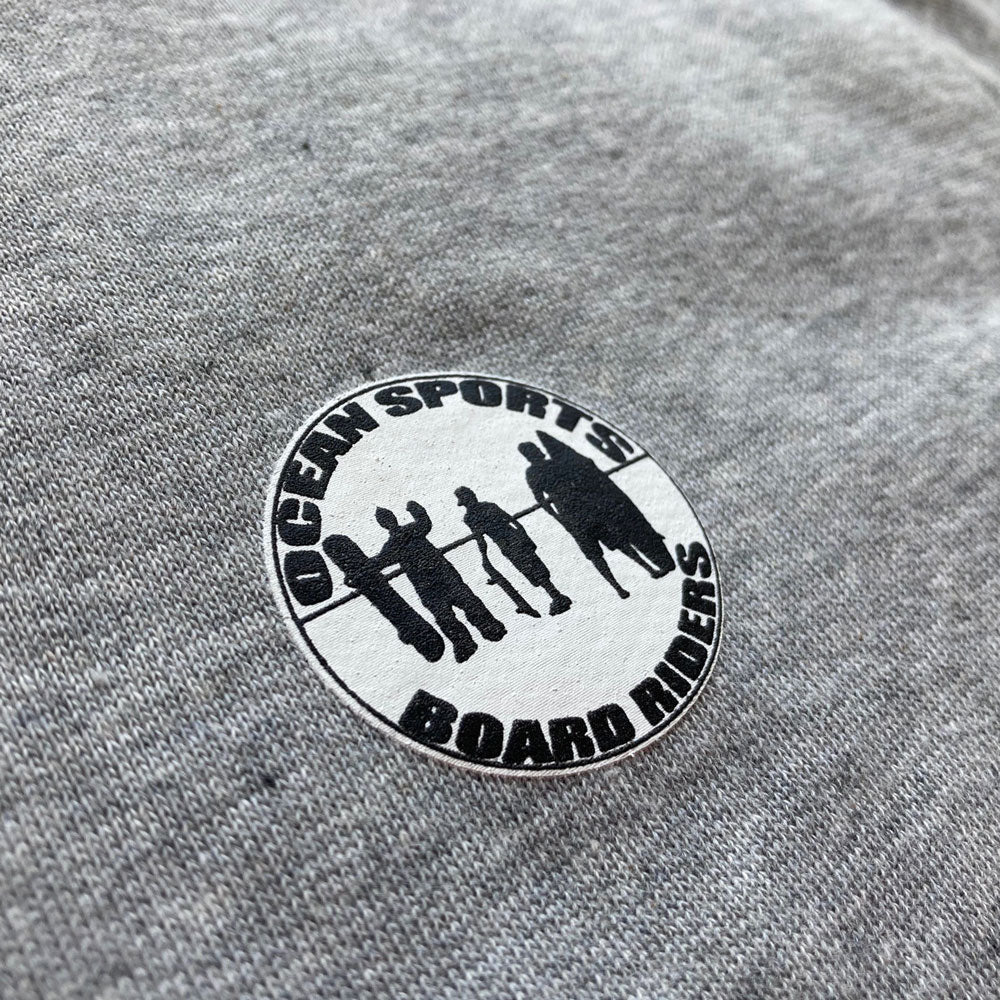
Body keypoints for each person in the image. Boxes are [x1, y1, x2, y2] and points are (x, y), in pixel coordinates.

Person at [369, 501, 506, 662]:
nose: (388, 522)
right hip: (435, 582)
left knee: (461, 606)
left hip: (435, 582)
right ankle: (471, 639)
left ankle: (478, 635)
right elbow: (379, 562)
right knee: (450, 613)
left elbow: (378, 562)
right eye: (385, 520)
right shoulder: (405, 535)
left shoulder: (397, 541)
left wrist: (415, 508)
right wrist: (415, 508)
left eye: (386, 519)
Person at [322, 533, 445, 663]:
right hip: (378, 589)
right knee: (395, 607)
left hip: (378, 588)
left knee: (394, 607)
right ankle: (420, 637)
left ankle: (421, 637)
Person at [455, 486, 572, 617]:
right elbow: (510, 524)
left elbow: (505, 525)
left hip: (510, 541)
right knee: (531, 569)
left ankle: (556, 597)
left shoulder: (476, 514)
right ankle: (555, 596)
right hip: (511, 540)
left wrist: (485, 556)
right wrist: (523, 536)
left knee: (532, 569)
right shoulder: (480, 511)